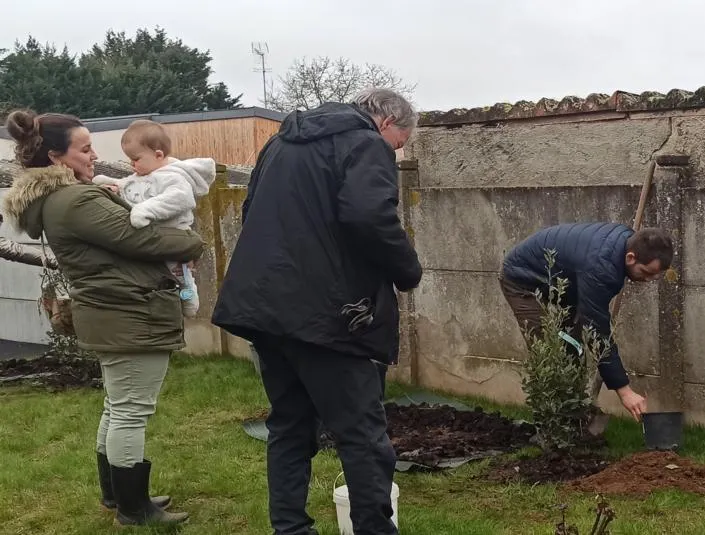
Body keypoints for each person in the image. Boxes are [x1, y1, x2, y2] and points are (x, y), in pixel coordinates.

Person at [212, 88, 423, 535]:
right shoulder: (366, 143)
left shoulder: (280, 143)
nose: (396, 153)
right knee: (362, 436)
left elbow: (251, 210)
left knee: (289, 427)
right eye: (399, 144)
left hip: (265, 310)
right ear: (387, 122)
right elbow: (369, 216)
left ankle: (290, 528)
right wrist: (408, 270)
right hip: (329, 317)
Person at [2, 110, 204, 526]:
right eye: (85, 148)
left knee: (118, 407)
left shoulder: (65, 197)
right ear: (56, 157)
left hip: (114, 311)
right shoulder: (77, 201)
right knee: (130, 411)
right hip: (128, 312)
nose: (94, 155)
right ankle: (133, 509)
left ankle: (118, 496)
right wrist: (191, 241)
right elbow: (142, 237)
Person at [499, 222, 674, 423]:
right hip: (522, 279)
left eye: (656, 275)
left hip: (564, 282)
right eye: (647, 272)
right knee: (548, 353)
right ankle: (552, 427)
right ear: (630, 258)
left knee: (572, 347)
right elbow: (597, 330)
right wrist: (624, 391)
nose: (649, 280)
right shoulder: (602, 266)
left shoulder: (624, 243)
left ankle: (575, 420)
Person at [92, 120, 215, 317]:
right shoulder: (143, 174)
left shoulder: (173, 177)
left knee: (178, 274)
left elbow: (181, 198)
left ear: (158, 155)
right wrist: (115, 186)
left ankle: (189, 297)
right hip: (152, 236)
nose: (131, 164)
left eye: (136, 159)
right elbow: (130, 186)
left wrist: (145, 210)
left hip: (173, 234)